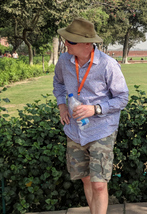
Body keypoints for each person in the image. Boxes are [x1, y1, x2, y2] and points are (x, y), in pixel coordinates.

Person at [53, 17, 129, 214]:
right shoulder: (64, 61)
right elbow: (58, 84)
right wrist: (62, 106)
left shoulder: (108, 65)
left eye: (70, 41)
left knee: (99, 184)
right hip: (74, 130)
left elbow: (122, 98)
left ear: (87, 44)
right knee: (86, 179)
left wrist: (94, 109)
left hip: (101, 130)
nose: (66, 44)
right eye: (65, 40)